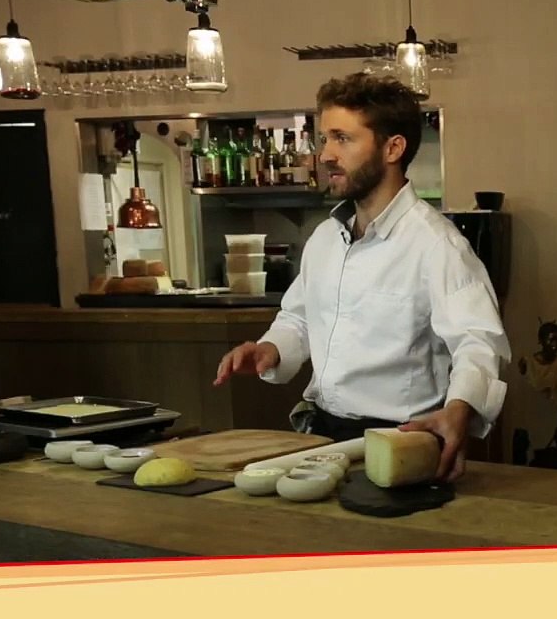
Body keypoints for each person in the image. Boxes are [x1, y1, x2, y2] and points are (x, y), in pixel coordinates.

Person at [215, 72, 511, 482]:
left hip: (401, 444)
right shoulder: (324, 239)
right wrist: (271, 349)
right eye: (324, 139)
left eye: (343, 138)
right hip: (319, 438)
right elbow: (298, 319)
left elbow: (477, 341)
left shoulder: (436, 244)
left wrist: (459, 408)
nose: (326, 155)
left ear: (393, 148)